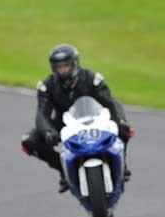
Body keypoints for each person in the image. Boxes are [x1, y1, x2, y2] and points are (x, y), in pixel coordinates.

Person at [22, 43, 134, 192]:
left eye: (66, 66)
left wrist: (120, 120)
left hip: (97, 119)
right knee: (29, 141)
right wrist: (48, 131)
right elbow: (42, 113)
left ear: (74, 63)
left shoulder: (92, 78)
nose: (62, 70)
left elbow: (111, 102)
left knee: (123, 128)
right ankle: (64, 170)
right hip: (65, 123)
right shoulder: (47, 86)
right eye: (58, 67)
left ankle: (121, 165)